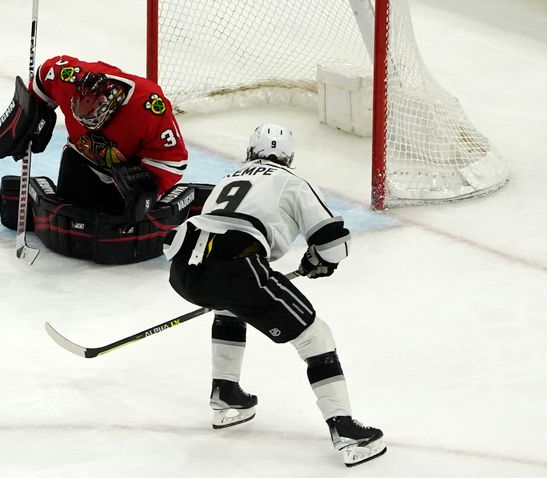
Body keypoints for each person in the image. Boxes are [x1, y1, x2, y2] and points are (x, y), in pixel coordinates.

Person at [163, 124, 386, 467]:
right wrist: (319, 261)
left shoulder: (228, 178)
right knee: (316, 337)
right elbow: (334, 241)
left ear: (250, 152)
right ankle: (344, 429)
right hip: (235, 268)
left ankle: (226, 395)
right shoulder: (291, 182)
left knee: (230, 308)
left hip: (183, 269)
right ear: (289, 157)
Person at [0, 54, 188, 224]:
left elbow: (174, 159)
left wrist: (149, 187)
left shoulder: (150, 106)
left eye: (91, 118)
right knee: (73, 213)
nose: (85, 124)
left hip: (122, 176)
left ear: (111, 106)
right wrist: (32, 113)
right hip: (80, 157)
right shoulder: (67, 77)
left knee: (119, 220)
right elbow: (43, 77)